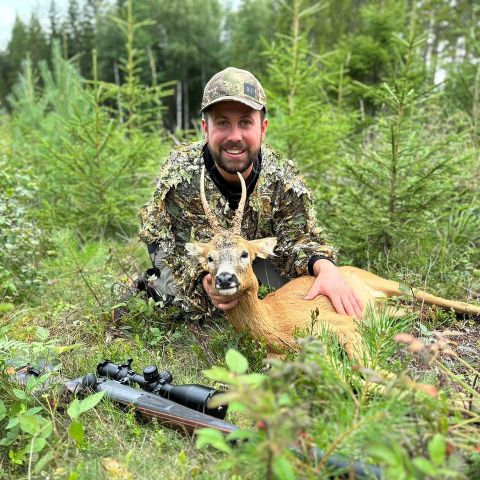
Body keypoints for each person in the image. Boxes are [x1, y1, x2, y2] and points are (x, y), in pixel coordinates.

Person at [136, 67, 363, 322]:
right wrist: (204, 280)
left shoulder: (282, 179)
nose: (235, 137)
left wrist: (327, 270)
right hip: (199, 261)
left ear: (262, 129)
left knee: (294, 290)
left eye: (245, 122)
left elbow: (300, 240)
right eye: (222, 123)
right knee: (177, 301)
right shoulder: (181, 176)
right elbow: (169, 246)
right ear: (205, 128)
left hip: (250, 260)